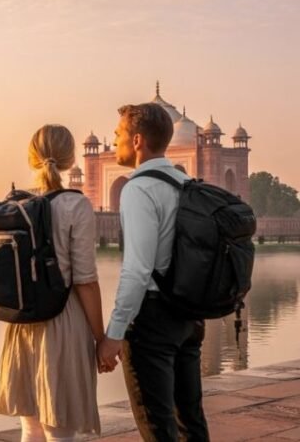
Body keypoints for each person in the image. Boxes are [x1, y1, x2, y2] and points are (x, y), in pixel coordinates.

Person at [97, 103, 208, 441]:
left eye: (118, 135)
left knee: (158, 426)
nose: (113, 142)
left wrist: (113, 334)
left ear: (138, 140)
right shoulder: (186, 182)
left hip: (154, 320)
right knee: (191, 421)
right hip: (189, 315)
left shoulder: (139, 188)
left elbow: (137, 269)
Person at [0, 124, 106, 441]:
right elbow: (85, 280)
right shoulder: (76, 205)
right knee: (60, 429)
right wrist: (101, 338)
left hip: (22, 323)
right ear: (71, 159)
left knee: (30, 427)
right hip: (63, 321)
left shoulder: (16, 205)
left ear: (32, 159)